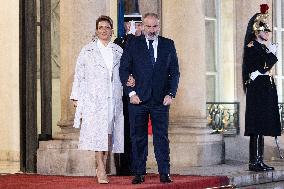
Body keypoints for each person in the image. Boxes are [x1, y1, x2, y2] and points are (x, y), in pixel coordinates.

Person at [119, 13, 180, 184]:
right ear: (142, 26)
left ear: (158, 26)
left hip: (161, 100)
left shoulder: (168, 44)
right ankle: (139, 172)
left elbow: (174, 72)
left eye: (155, 27)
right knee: (138, 137)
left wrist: (171, 93)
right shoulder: (133, 44)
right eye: (148, 26)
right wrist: (131, 93)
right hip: (138, 100)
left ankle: (164, 172)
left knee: (162, 137)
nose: (152, 30)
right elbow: (124, 70)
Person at [70, 15, 125, 184]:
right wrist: (76, 96)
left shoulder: (118, 51)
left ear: (112, 30)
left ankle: (104, 161)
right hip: (93, 97)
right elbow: (79, 74)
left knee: (109, 131)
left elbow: (124, 73)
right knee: (96, 131)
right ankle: (100, 166)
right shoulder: (87, 50)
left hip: (113, 97)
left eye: (107, 27)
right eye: (100, 27)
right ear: (96, 30)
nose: (103, 30)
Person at [242, 4, 281, 172]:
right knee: (256, 126)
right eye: (265, 31)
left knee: (262, 126)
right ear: (257, 32)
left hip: (264, 89)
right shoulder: (252, 47)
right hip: (257, 91)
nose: (267, 34)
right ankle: (254, 161)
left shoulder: (261, 47)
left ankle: (259, 160)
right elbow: (263, 66)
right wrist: (272, 55)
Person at [114, 14, 142, 176]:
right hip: (124, 94)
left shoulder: (145, 42)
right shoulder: (120, 42)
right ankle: (126, 167)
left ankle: (139, 165)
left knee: (139, 131)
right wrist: (130, 37)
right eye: (133, 24)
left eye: (139, 25)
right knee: (126, 131)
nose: (137, 28)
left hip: (143, 92)